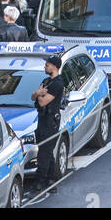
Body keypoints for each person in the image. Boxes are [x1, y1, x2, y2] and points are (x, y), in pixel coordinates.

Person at [30, 55, 64, 194]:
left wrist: (39, 95)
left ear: (54, 67)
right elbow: (33, 96)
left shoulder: (57, 84)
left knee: (43, 154)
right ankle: (52, 181)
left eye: (47, 65)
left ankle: (39, 184)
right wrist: (39, 93)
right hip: (42, 120)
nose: (45, 67)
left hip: (50, 122)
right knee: (47, 152)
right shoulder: (45, 81)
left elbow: (43, 102)